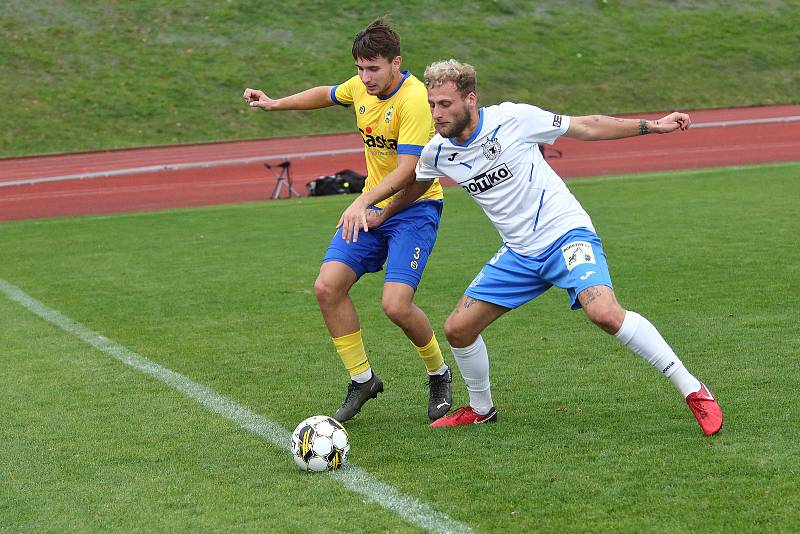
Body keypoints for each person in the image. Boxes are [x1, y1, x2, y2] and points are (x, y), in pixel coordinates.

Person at [345, 59, 723, 436]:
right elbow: (415, 185)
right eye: (431, 105)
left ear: (470, 99)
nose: (436, 113)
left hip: (565, 236)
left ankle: (694, 390)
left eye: (445, 104)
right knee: (458, 329)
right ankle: (481, 409)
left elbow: (586, 125)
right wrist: (382, 212)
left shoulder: (512, 119)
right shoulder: (437, 152)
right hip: (519, 254)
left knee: (604, 313)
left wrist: (652, 125)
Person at [242, 20, 453, 423]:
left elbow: (410, 171)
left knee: (395, 305)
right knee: (327, 286)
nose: (364, 78)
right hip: (371, 209)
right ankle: (363, 380)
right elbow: (326, 94)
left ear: (397, 63)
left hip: (414, 207)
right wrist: (274, 103)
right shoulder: (361, 87)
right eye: (359, 68)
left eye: (373, 69)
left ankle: (438, 373)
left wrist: (365, 202)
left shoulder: (413, 101)